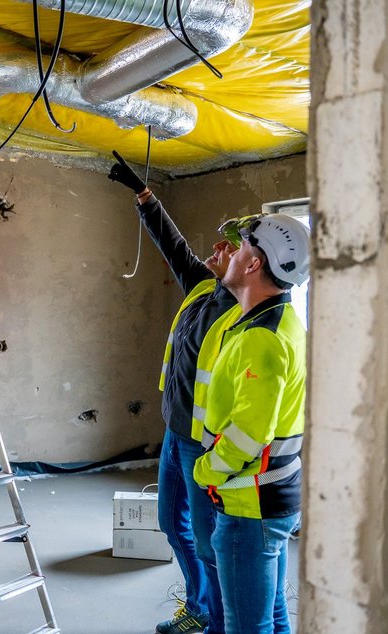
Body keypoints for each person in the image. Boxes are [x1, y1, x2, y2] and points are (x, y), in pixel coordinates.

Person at [109, 152, 253, 634]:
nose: (214, 249)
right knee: (174, 527)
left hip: (202, 442)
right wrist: (144, 196)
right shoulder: (201, 288)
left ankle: (214, 620)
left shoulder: (242, 311)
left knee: (210, 542)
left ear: (249, 262)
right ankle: (198, 605)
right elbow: (173, 245)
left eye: (227, 247)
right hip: (175, 431)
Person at [192, 214, 310, 634]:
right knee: (273, 617)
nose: (231, 254)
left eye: (240, 247)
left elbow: (247, 435)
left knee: (247, 626)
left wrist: (205, 469)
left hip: (250, 505)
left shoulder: (263, 338)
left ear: (254, 264)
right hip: (268, 500)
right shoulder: (273, 321)